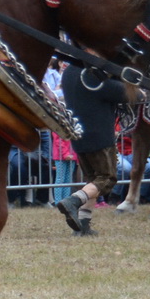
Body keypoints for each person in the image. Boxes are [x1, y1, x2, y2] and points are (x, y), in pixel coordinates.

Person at [51, 60, 127, 236]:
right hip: (99, 136)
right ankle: (73, 201)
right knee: (106, 178)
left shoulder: (69, 71)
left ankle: (83, 225)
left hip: (79, 136)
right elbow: (120, 92)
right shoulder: (91, 73)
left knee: (92, 179)